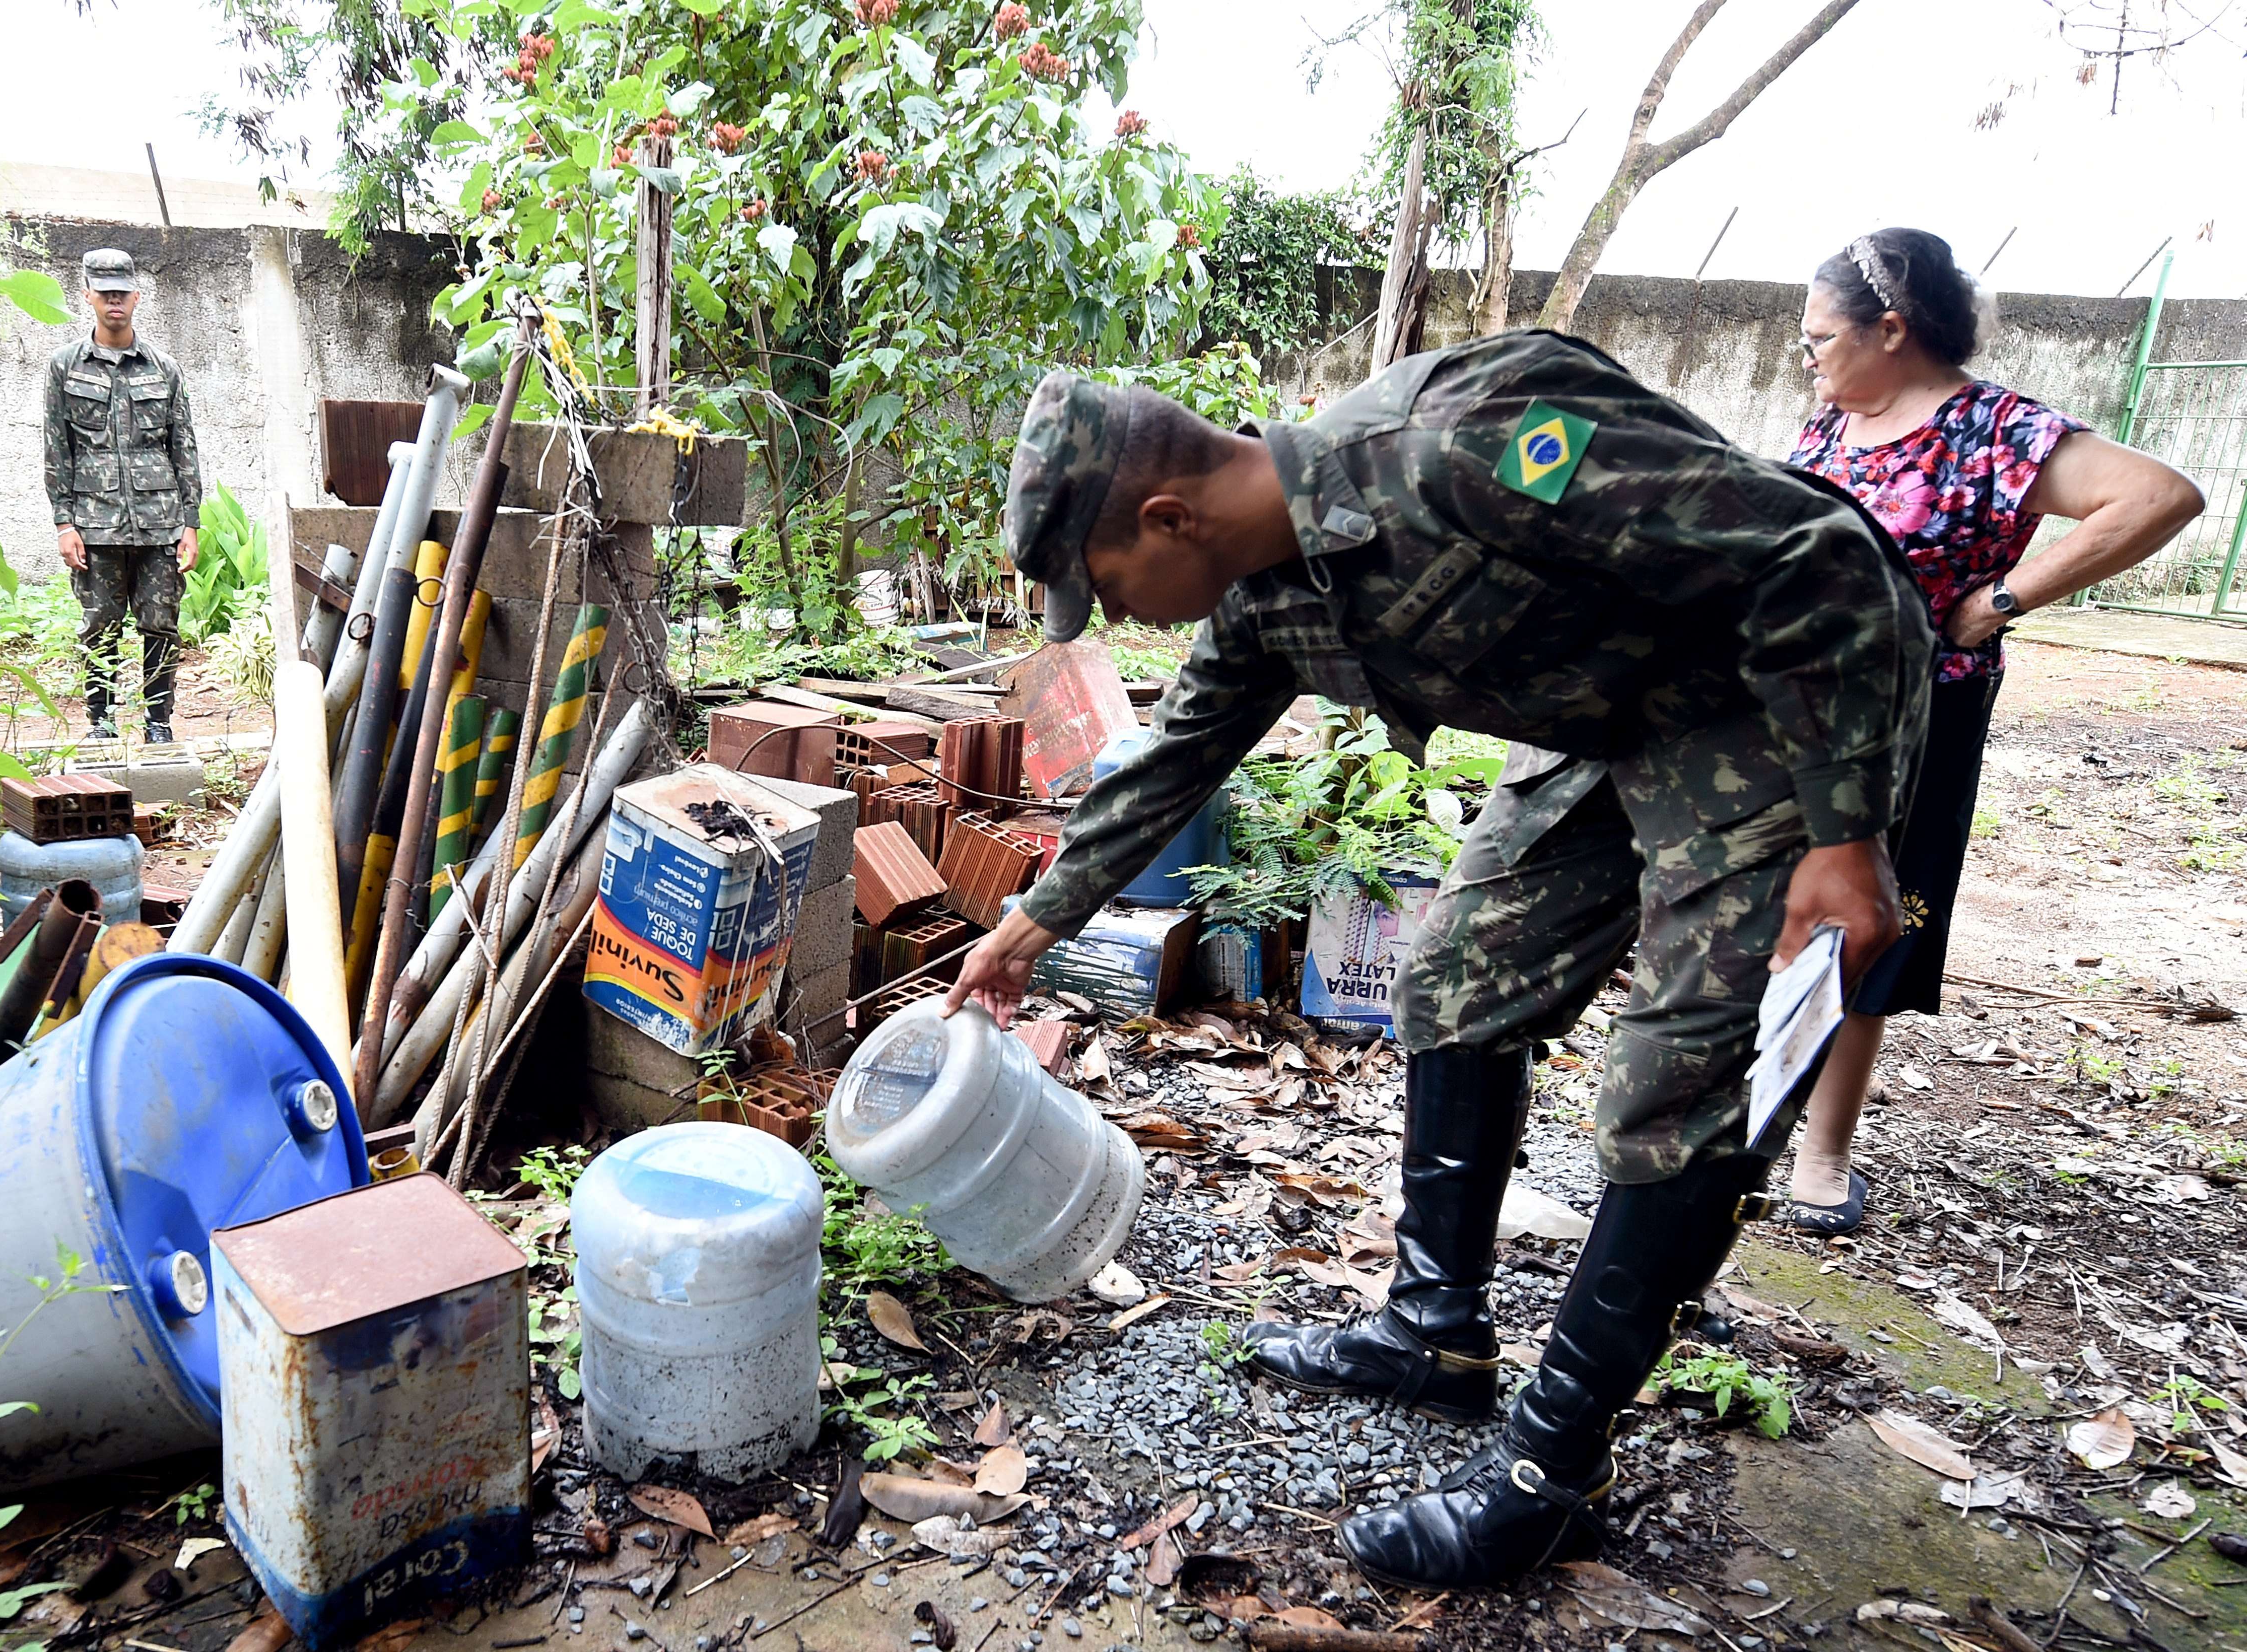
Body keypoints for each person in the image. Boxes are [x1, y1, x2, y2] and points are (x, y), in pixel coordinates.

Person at [942, 332, 1933, 1591]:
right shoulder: (1265, 598)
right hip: (1615, 715)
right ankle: (1436, 1327)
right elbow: (1179, 757)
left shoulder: (1459, 447)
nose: (1121, 617)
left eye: (1112, 583)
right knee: (1456, 970)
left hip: (1770, 698)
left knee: (1679, 1088)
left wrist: (1847, 836)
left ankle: (1550, 1475)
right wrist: (1030, 927)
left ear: (1169, 514)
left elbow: (1816, 557)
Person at [1779, 230, 2203, 1235]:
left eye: (1821, 336)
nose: (1808, 354)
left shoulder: (1993, 428)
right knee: (1772, 912)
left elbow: (2160, 496)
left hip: (1920, 716)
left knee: (1871, 921)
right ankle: (1740, 1118)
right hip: (1798, 709)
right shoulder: (1829, 425)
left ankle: (1822, 1151)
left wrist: (2003, 597)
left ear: (1892, 329)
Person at [42, 247, 201, 744]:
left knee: (161, 627)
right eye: (103, 290)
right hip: (94, 526)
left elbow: (185, 447)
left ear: (136, 296)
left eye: (121, 291)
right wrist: (64, 523)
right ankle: (102, 724)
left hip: (160, 526)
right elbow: (56, 448)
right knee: (100, 628)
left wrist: (191, 523)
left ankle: (158, 725)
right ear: (87, 295)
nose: (114, 299)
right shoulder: (65, 367)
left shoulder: (165, 368)